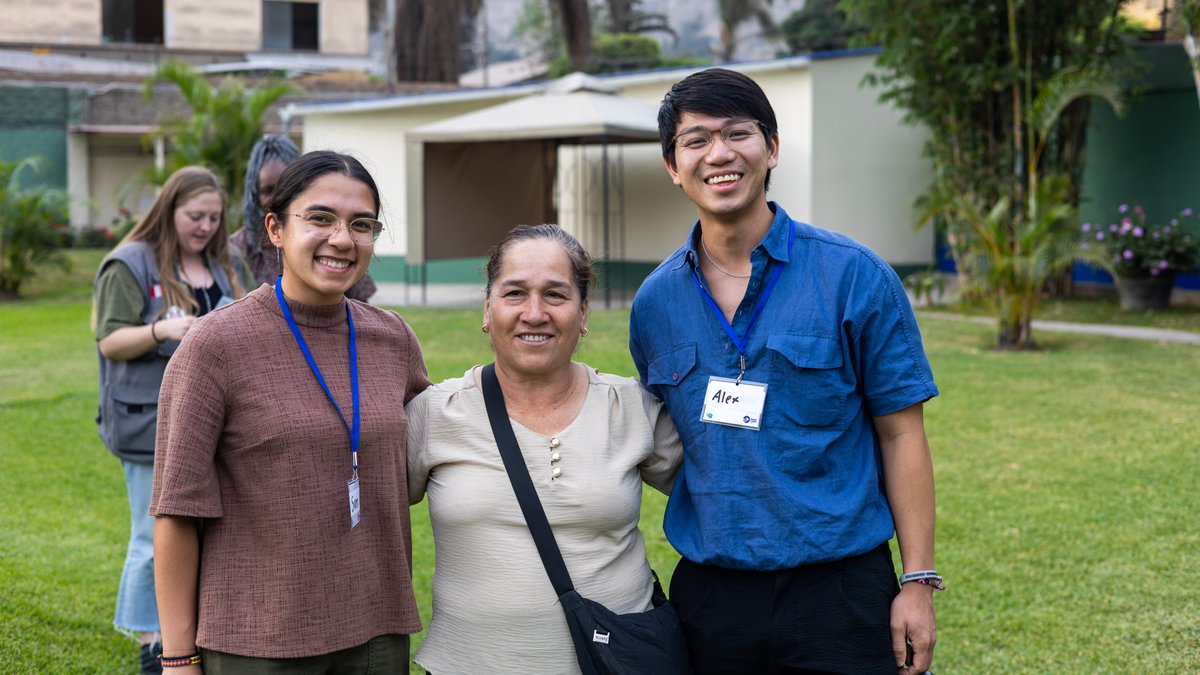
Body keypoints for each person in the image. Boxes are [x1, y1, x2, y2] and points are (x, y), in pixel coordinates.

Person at [629, 68, 942, 674]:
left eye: (737, 133)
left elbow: (902, 433)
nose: (719, 154)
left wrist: (918, 581)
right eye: (695, 140)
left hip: (842, 593)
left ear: (770, 149)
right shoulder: (655, 303)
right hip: (713, 599)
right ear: (673, 166)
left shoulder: (855, 276)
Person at [150, 151, 430, 673]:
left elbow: (442, 451)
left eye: (361, 224)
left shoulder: (392, 339)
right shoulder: (217, 344)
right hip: (259, 640)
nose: (343, 239)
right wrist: (178, 657)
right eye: (320, 218)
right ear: (275, 229)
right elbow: (176, 511)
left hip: (377, 633)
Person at [406, 224, 683, 674]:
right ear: (487, 307)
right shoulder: (437, 414)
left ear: (583, 312)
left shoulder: (631, 408)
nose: (534, 313)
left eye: (555, 295)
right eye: (515, 293)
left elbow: (716, 493)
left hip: (614, 662)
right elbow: (366, 518)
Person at [92, 166, 243, 674]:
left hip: (210, 420)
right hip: (149, 423)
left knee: (199, 527)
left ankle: (187, 626)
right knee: (152, 531)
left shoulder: (218, 265)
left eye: (213, 218)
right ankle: (152, 642)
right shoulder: (129, 263)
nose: (204, 226)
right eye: (194, 216)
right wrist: (163, 329)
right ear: (169, 210)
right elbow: (110, 341)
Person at [230, 134, 378, 301]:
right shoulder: (236, 249)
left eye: (285, 187)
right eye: (268, 191)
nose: (278, 198)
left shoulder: (342, 246)